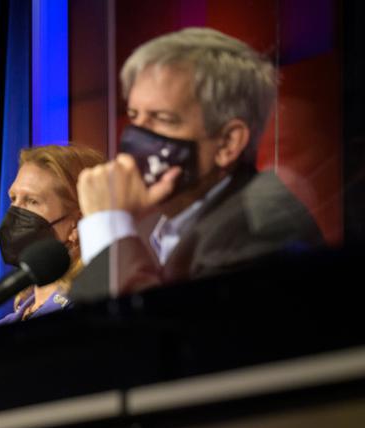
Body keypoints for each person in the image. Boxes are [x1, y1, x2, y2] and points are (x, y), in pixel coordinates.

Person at [71, 27, 323, 301]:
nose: (135, 137)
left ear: (227, 143)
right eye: (134, 117)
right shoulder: (151, 224)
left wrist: (108, 226)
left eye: (162, 119)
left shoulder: (260, 227)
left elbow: (155, 339)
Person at [0, 144, 106, 324]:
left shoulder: (91, 310)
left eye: (32, 201)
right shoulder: (6, 322)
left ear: (76, 224)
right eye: (13, 198)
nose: (14, 213)